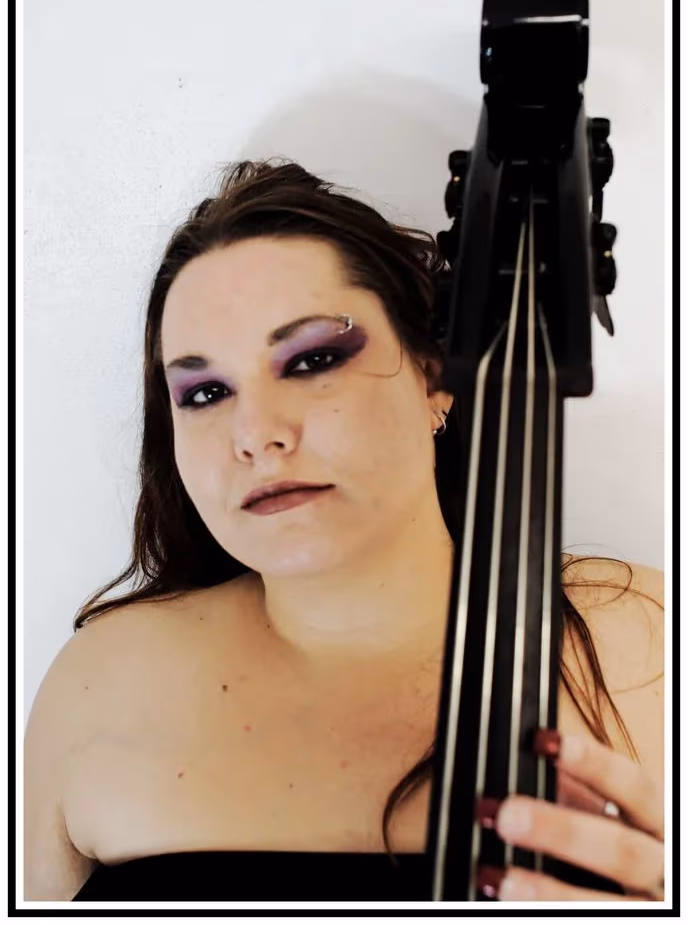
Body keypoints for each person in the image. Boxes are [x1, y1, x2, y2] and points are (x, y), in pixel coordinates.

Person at [24, 160, 664, 903]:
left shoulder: (651, 645)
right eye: (204, 393)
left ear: (436, 378)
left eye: (313, 360)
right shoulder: (99, 686)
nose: (255, 434)